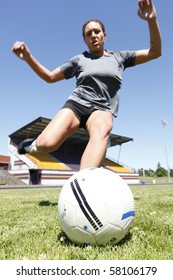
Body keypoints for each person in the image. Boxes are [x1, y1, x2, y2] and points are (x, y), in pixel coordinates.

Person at [12, 0, 161, 170]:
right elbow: (50, 77)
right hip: (77, 104)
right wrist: (28, 58)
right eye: (88, 34)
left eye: (97, 31)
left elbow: (154, 52)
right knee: (47, 144)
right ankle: (35, 143)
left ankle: (83, 181)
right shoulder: (79, 59)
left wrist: (151, 20)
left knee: (102, 129)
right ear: (85, 39)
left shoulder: (120, 57)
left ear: (104, 35)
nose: (93, 35)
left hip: (102, 109)